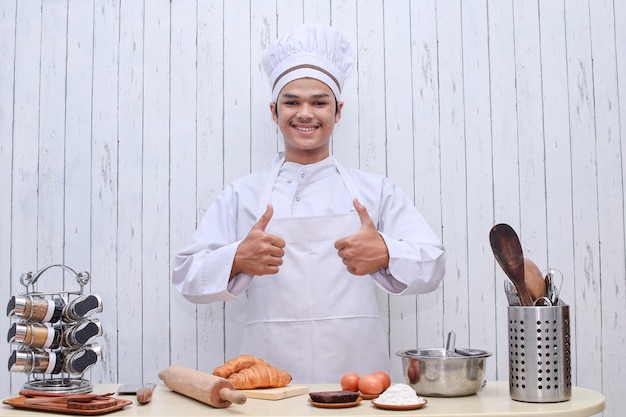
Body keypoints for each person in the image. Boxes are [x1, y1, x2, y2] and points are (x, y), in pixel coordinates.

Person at [172, 23, 446, 383]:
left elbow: (434, 263)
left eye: (319, 102)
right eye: (291, 102)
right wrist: (237, 257)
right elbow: (186, 276)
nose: (305, 113)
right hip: (265, 379)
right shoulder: (242, 195)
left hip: (359, 378)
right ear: (274, 111)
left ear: (338, 111)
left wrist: (386, 253)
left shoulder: (376, 191)